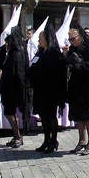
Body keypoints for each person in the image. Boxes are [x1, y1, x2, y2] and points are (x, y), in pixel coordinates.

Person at [65, 27, 89, 155]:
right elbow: (69, 64)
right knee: (78, 115)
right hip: (76, 85)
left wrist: (78, 63)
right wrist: (67, 57)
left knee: (88, 116)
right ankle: (81, 141)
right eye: (69, 39)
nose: (71, 42)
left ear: (80, 35)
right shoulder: (73, 48)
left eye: (73, 39)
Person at [27, 21, 66, 153]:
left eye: (40, 38)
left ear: (47, 39)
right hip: (40, 90)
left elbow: (57, 73)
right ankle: (46, 140)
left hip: (51, 90)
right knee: (43, 117)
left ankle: (53, 140)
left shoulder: (54, 52)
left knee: (50, 116)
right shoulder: (40, 51)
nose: (38, 40)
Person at [0, 27, 29, 148]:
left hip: (13, 87)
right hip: (8, 86)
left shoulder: (17, 53)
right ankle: (16, 135)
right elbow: (2, 64)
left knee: (10, 112)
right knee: (9, 112)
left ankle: (17, 136)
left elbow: (19, 72)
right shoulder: (10, 52)